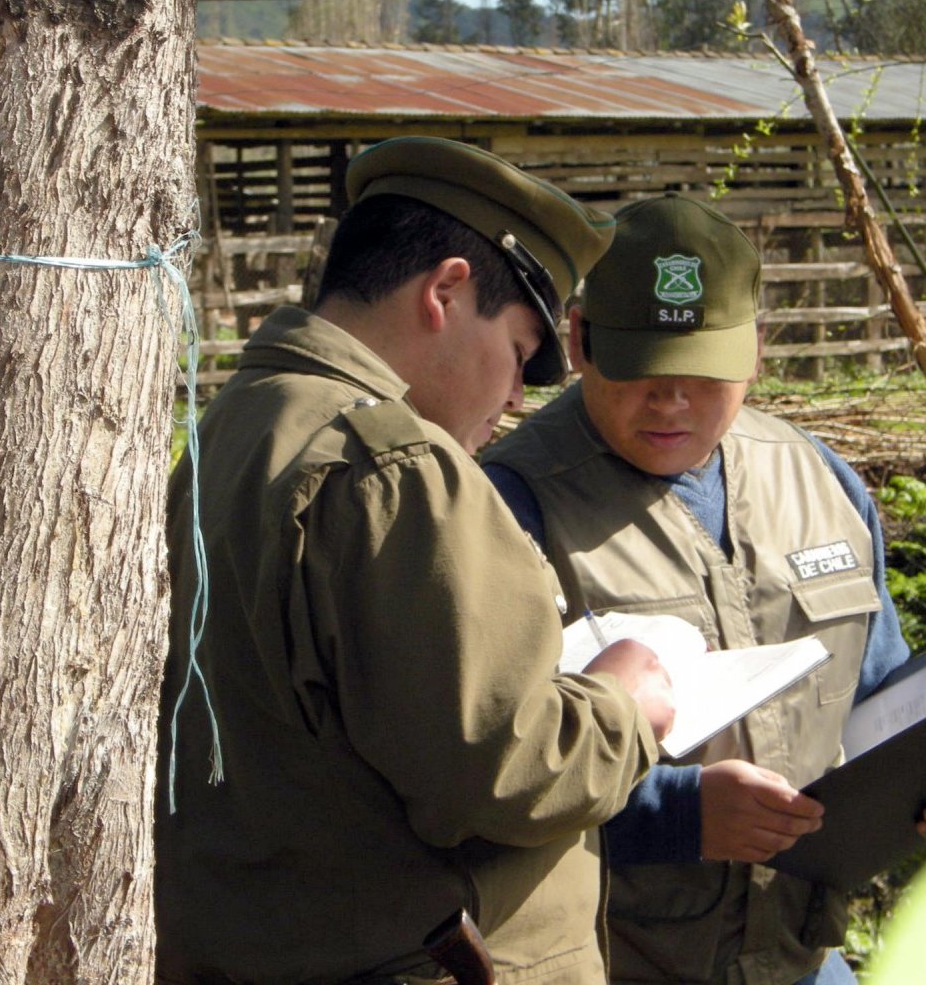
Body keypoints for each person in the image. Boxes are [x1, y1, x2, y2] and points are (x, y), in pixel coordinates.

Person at [155, 137, 676, 985]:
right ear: (445, 290)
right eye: (517, 352)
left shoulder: (234, 425)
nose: (514, 398)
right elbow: (501, 769)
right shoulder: (393, 467)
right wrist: (624, 704)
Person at [482, 192, 919, 985]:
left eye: (703, 372)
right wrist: (674, 815)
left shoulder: (819, 481)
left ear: (756, 349)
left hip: (803, 954)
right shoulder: (507, 506)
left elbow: (882, 690)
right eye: (643, 369)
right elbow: (467, 772)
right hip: (616, 959)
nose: (672, 401)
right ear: (579, 341)